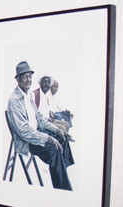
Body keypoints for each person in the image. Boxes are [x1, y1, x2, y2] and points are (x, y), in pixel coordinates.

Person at [6, 61, 74, 190]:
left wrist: (57, 130)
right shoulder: (14, 100)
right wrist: (48, 138)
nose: (28, 80)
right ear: (18, 79)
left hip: (37, 132)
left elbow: (40, 119)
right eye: (25, 77)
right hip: (27, 140)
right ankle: (62, 189)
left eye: (30, 77)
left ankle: (62, 175)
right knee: (54, 149)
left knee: (63, 139)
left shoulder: (29, 96)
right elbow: (24, 131)